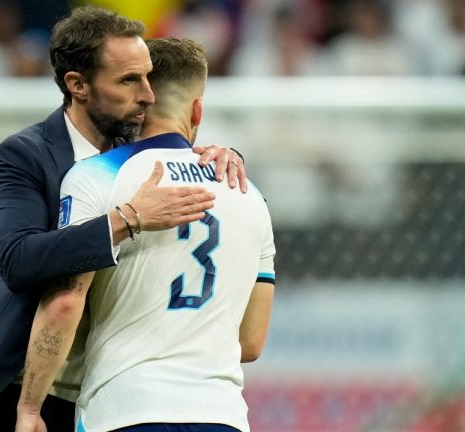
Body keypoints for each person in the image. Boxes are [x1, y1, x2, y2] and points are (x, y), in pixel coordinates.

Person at [0, 6, 248, 432]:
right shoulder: (25, 156)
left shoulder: (138, 150)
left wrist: (228, 157)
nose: (148, 94)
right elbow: (18, 260)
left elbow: (187, 152)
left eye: (147, 76)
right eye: (129, 80)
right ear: (78, 85)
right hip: (29, 388)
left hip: (110, 392)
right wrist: (126, 220)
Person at [16, 37, 276, 432]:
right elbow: (252, 341)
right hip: (221, 415)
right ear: (198, 109)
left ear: (139, 99)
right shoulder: (247, 191)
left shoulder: (96, 177)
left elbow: (65, 305)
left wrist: (30, 408)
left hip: (125, 409)